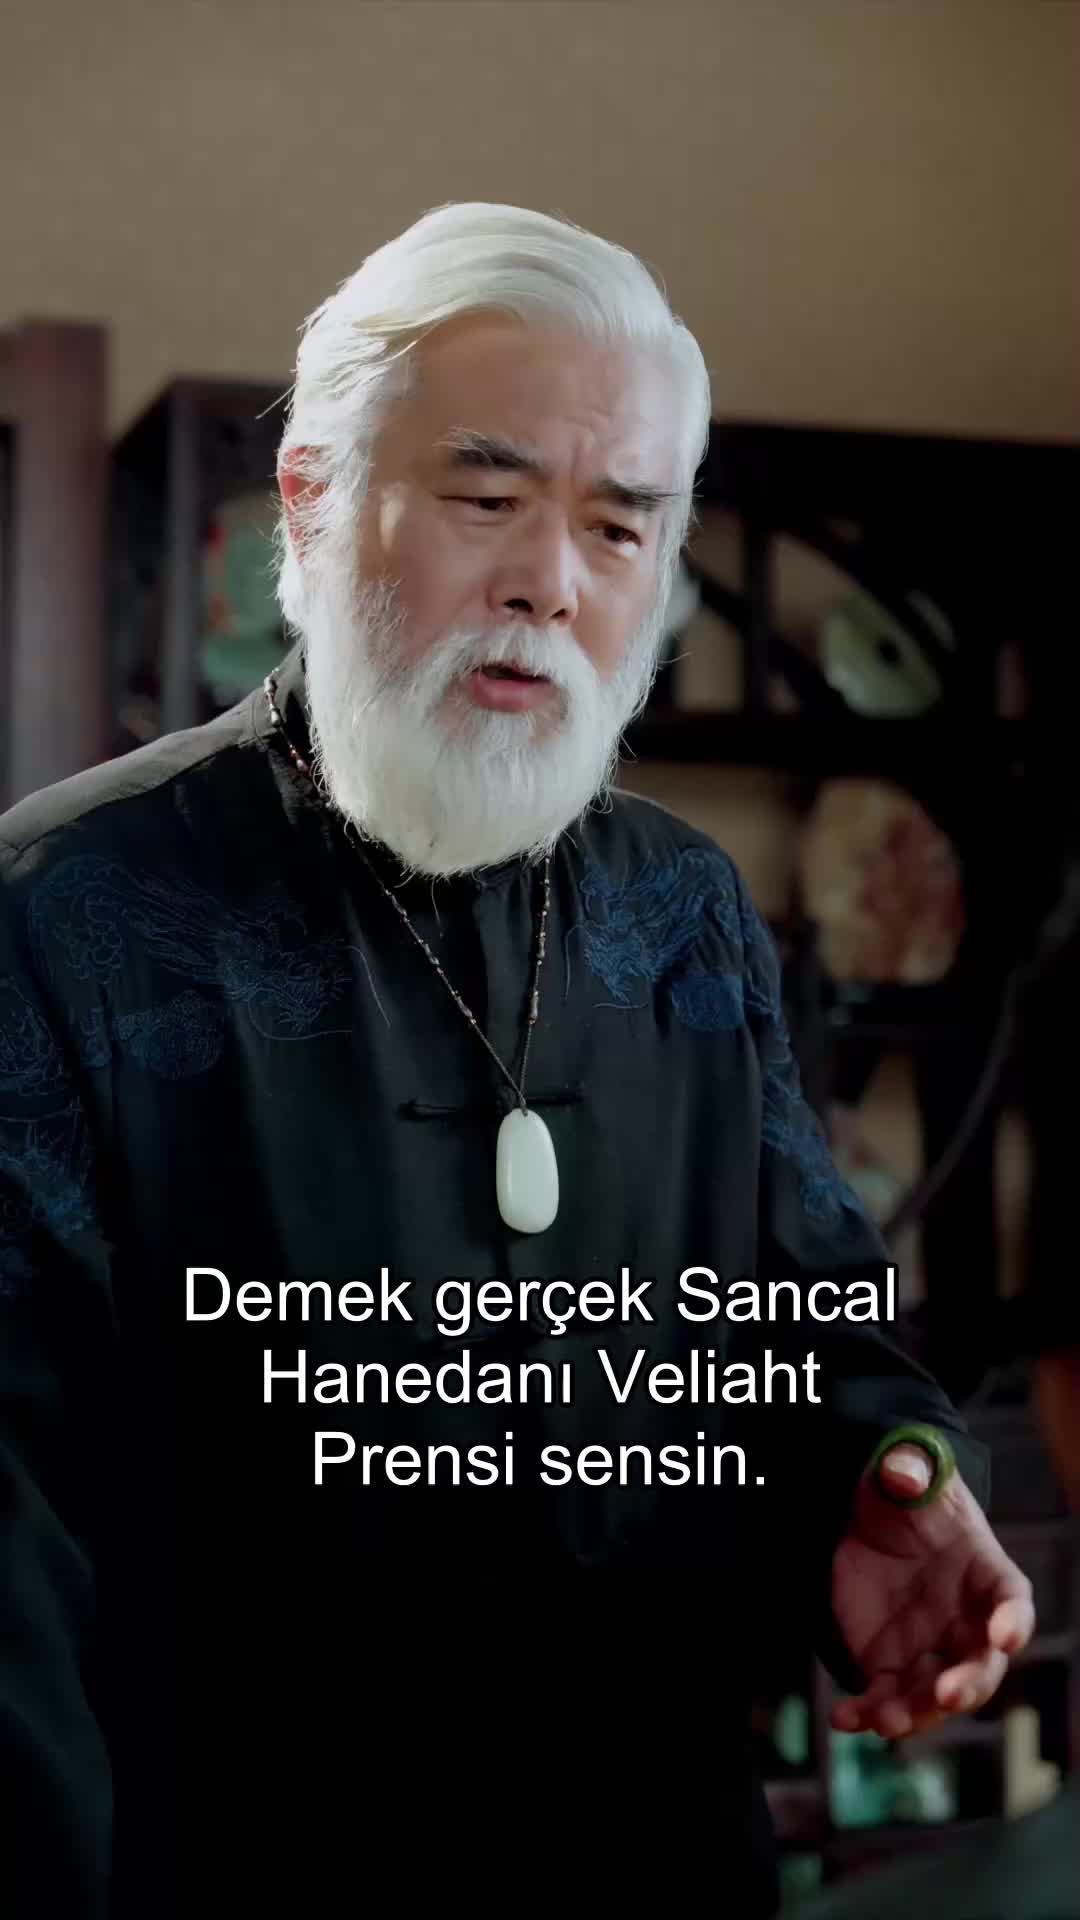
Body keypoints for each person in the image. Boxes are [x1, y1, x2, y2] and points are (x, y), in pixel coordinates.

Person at [0, 203, 1035, 1919]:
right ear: (311, 503)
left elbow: (801, 1311)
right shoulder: (67, 915)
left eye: (620, 525)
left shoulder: (685, 915)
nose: (552, 579)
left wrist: (888, 1475)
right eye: (488, 500)